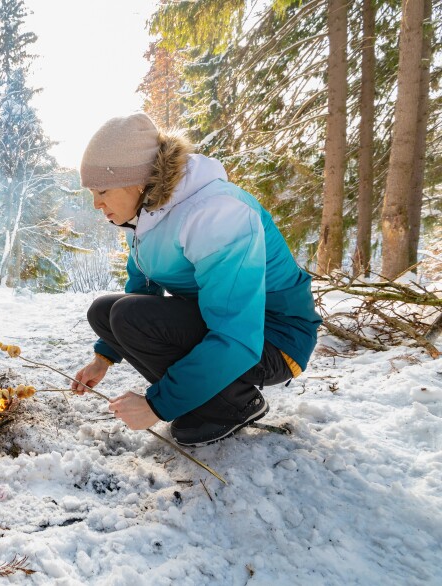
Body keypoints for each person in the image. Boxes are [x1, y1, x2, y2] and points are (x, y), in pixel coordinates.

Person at [71, 113, 321, 446]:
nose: (96, 203)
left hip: (273, 338)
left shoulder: (217, 214)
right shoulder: (144, 216)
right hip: (226, 323)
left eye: (102, 190)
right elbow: (141, 290)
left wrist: (157, 405)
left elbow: (237, 334)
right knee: (105, 311)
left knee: (126, 316)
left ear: (137, 180)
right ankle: (207, 398)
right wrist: (103, 358)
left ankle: (234, 404)